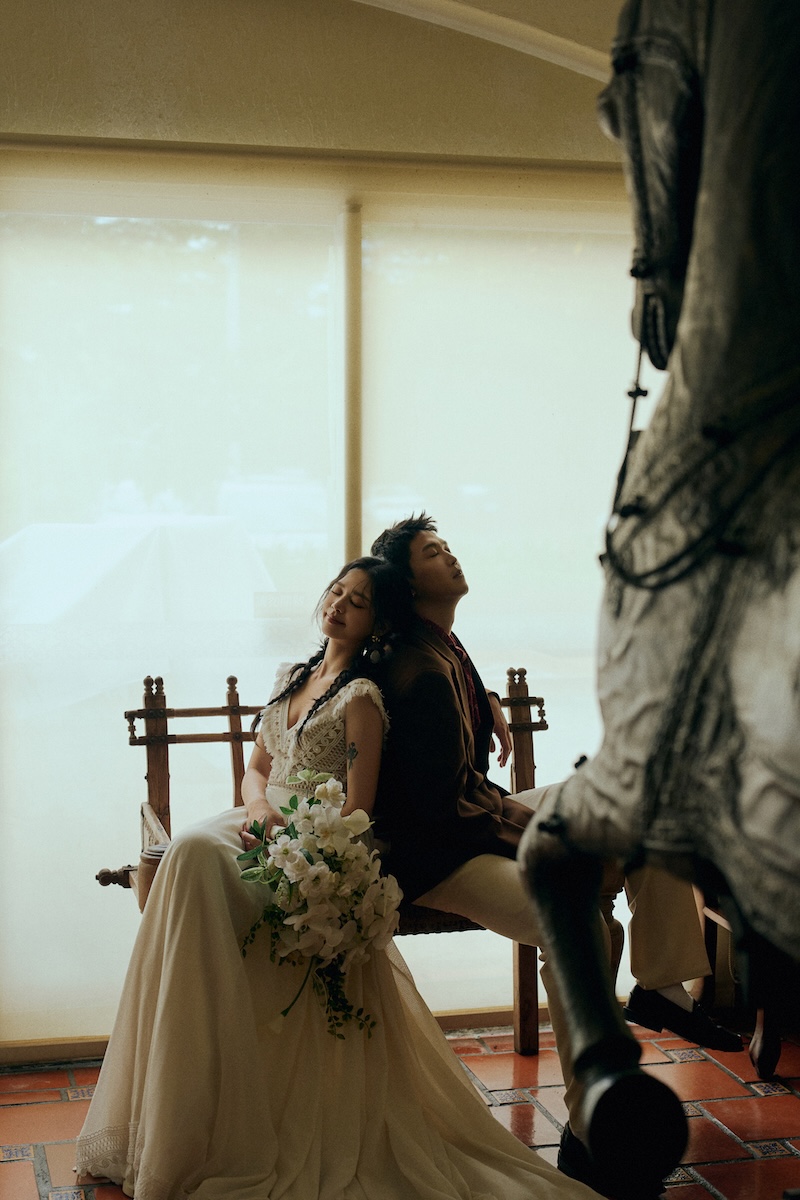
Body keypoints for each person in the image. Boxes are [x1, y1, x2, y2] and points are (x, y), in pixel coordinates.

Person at [75, 555, 601, 1200]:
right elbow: (257, 767)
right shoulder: (290, 678)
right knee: (191, 854)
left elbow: (357, 809)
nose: (339, 605)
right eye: (336, 591)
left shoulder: (362, 698)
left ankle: (215, 1118)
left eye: (358, 601)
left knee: (194, 857)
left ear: (376, 622)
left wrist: (302, 842)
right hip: (256, 821)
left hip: (311, 840)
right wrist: (259, 808)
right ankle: (173, 1110)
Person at [369, 515, 741, 1198]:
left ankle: (661, 988)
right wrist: (537, 841)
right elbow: (436, 815)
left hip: (478, 815)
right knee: (581, 924)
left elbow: (461, 778)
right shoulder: (415, 667)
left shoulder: (443, 645)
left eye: (445, 545)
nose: (449, 556)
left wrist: (483, 696)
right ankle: (591, 1128)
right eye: (432, 553)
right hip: (437, 855)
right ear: (407, 583)